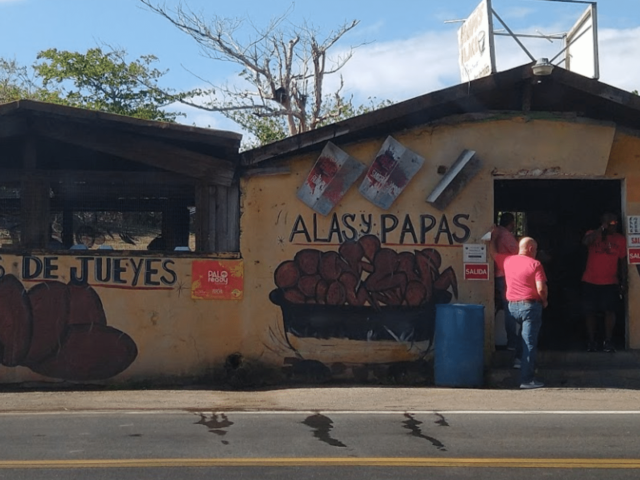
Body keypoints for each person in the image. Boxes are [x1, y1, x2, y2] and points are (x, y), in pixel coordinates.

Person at [503, 237, 548, 389]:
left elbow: (494, 254)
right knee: (529, 342)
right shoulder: (535, 264)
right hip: (529, 306)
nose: (535, 253)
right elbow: (541, 288)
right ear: (530, 249)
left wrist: (492, 237)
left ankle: (517, 360)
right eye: (535, 250)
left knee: (520, 335)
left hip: (512, 307)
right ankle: (527, 380)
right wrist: (545, 300)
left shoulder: (508, 261)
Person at [581, 213, 627, 353]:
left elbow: (623, 261)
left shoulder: (620, 239)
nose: (613, 225)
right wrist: (601, 230)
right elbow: (585, 242)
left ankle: (608, 341)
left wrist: (624, 281)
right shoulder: (593, 234)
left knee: (610, 311)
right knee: (590, 311)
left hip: (610, 281)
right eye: (610, 222)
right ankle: (592, 341)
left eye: (615, 222)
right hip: (590, 280)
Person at [491, 213, 520, 354]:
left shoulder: (497, 233)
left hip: (498, 274)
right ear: (512, 222)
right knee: (511, 309)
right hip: (506, 275)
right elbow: (519, 251)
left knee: (502, 308)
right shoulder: (505, 234)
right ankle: (513, 342)